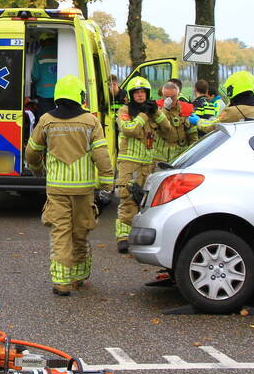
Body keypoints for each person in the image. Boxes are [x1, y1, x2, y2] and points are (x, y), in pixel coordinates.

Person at [25, 75, 113, 295]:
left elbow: (32, 151)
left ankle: (61, 282)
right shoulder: (91, 121)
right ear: (80, 96)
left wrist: (36, 169)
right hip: (83, 190)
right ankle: (79, 276)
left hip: (57, 190)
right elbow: (101, 155)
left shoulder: (46, 120)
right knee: (81, 231)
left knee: (60, 233)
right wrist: (106, 184)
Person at [114, 76, 167, 253]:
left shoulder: (152, 112)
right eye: (136, 92)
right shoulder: (124, 110)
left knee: (144, 201)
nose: (140, 95)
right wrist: (144, 115)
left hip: (147, 163)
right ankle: (123, 237)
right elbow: (130, 130)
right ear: (131, 94)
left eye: (143, 92)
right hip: (129, 162)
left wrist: (157, 113)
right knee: (127, 198)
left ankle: (138, 235)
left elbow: (167, 130)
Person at [153, 81, 198, 166]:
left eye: (172, 97)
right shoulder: (155, 108)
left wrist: (193, 154)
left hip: (179, 156)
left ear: (178, 95)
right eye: (166, 97)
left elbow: (192, 134)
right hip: (159, 157)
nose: (169, 100)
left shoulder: (186, 109)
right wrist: (165, 110)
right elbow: (156, 124)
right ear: (162, 94)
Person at [31, 33, 58, 118]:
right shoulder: (62, 53)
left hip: (44, 94)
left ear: (43, 42)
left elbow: (35, 76)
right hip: (60, 93)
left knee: (45, 118)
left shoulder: (39, 56)